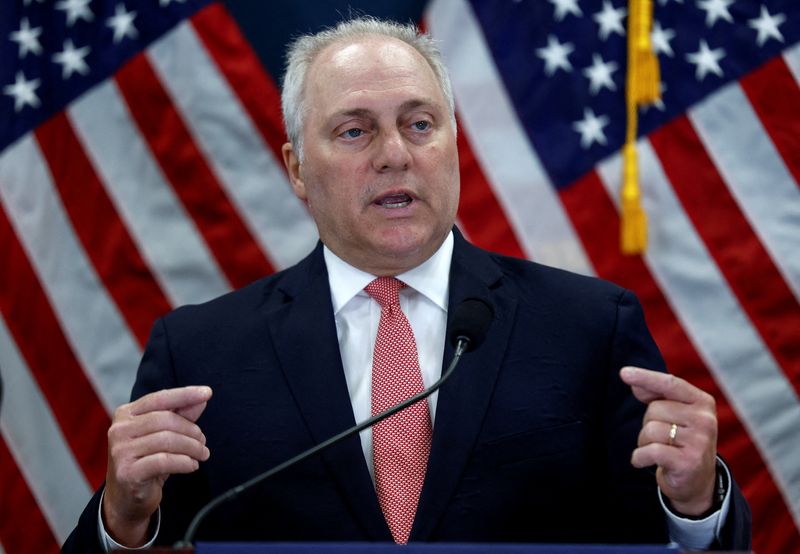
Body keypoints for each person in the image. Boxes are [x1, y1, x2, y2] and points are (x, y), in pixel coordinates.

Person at [62, 17, 751, 552]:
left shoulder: (588, 328)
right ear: (297, 169)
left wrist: (694, 502)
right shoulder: (201, 352)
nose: (396, 155)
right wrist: (124, 517)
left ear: (452, 143)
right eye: (355, 131)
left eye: (419, 125)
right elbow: (141, 536)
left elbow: (670, 536)